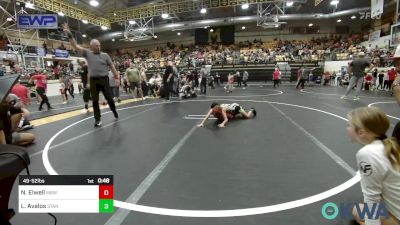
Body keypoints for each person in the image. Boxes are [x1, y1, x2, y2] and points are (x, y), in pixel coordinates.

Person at [347, 107, 400, 225]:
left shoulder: (367, 154)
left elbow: (372, 199)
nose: (347, 128)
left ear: (360, 132)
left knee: (355, 210)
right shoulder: (389, 145)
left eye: (349, 125)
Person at [63, 23, 119, 127]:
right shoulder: (88, 53)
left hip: (104, 79)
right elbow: (75, 45)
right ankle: (97, 120)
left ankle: (114, 111)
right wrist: (69, 34)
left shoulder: (105, 55)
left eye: (99, 45)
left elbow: (112, 67)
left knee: (110, 99)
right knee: (95, 101)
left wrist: (117, 77)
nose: (99, 47)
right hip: (94, 80)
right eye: (96, 46)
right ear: (91, 47)